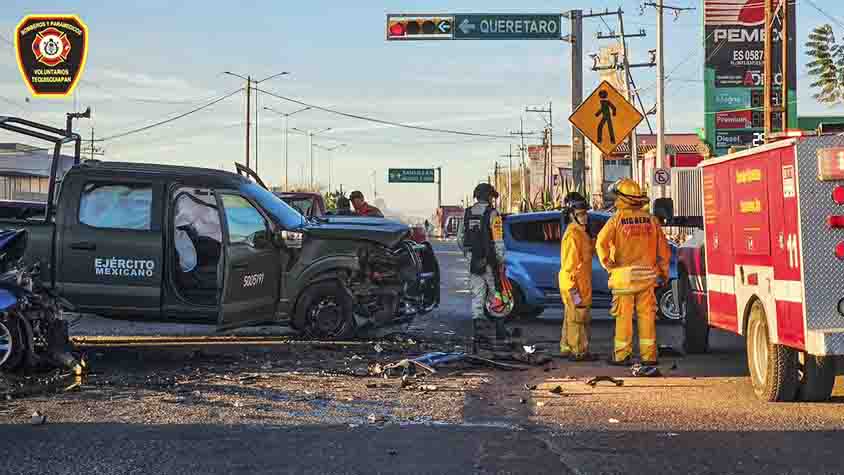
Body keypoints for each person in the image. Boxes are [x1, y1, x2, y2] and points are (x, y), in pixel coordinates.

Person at [596, 179, 671, 366]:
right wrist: (664, 272)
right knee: (647, 317)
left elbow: (600, 243)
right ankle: (649, 356)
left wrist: (609, 265)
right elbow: (664, 250)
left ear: (621, 198)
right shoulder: (651, 220)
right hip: (647, 277)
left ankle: (622, 356)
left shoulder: (616, 220)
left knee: (624, 318)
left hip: (624, 279)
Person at [457, 183, 508, 347]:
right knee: (496, 293)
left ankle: (478, 333)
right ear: (489, 196)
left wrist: (469, 255)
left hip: (474, 261)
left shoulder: (467, 213)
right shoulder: (493, 214)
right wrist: (501, 261)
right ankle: (500, 332)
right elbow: (498, 241)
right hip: (491, 261)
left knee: (477, 294)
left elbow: (460, 239)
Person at [559, 192, 597, 362]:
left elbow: (587, 252)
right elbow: (571, 265)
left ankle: (566, 346)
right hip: (574, 283)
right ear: (571, 215)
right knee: (578, 317)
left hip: (577, 282)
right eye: (581, 214)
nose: (585, 217)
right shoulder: (573, 234)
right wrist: (573, 289)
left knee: (571, 315)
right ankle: (578, 351)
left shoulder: (580, 233)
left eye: (585, 213)